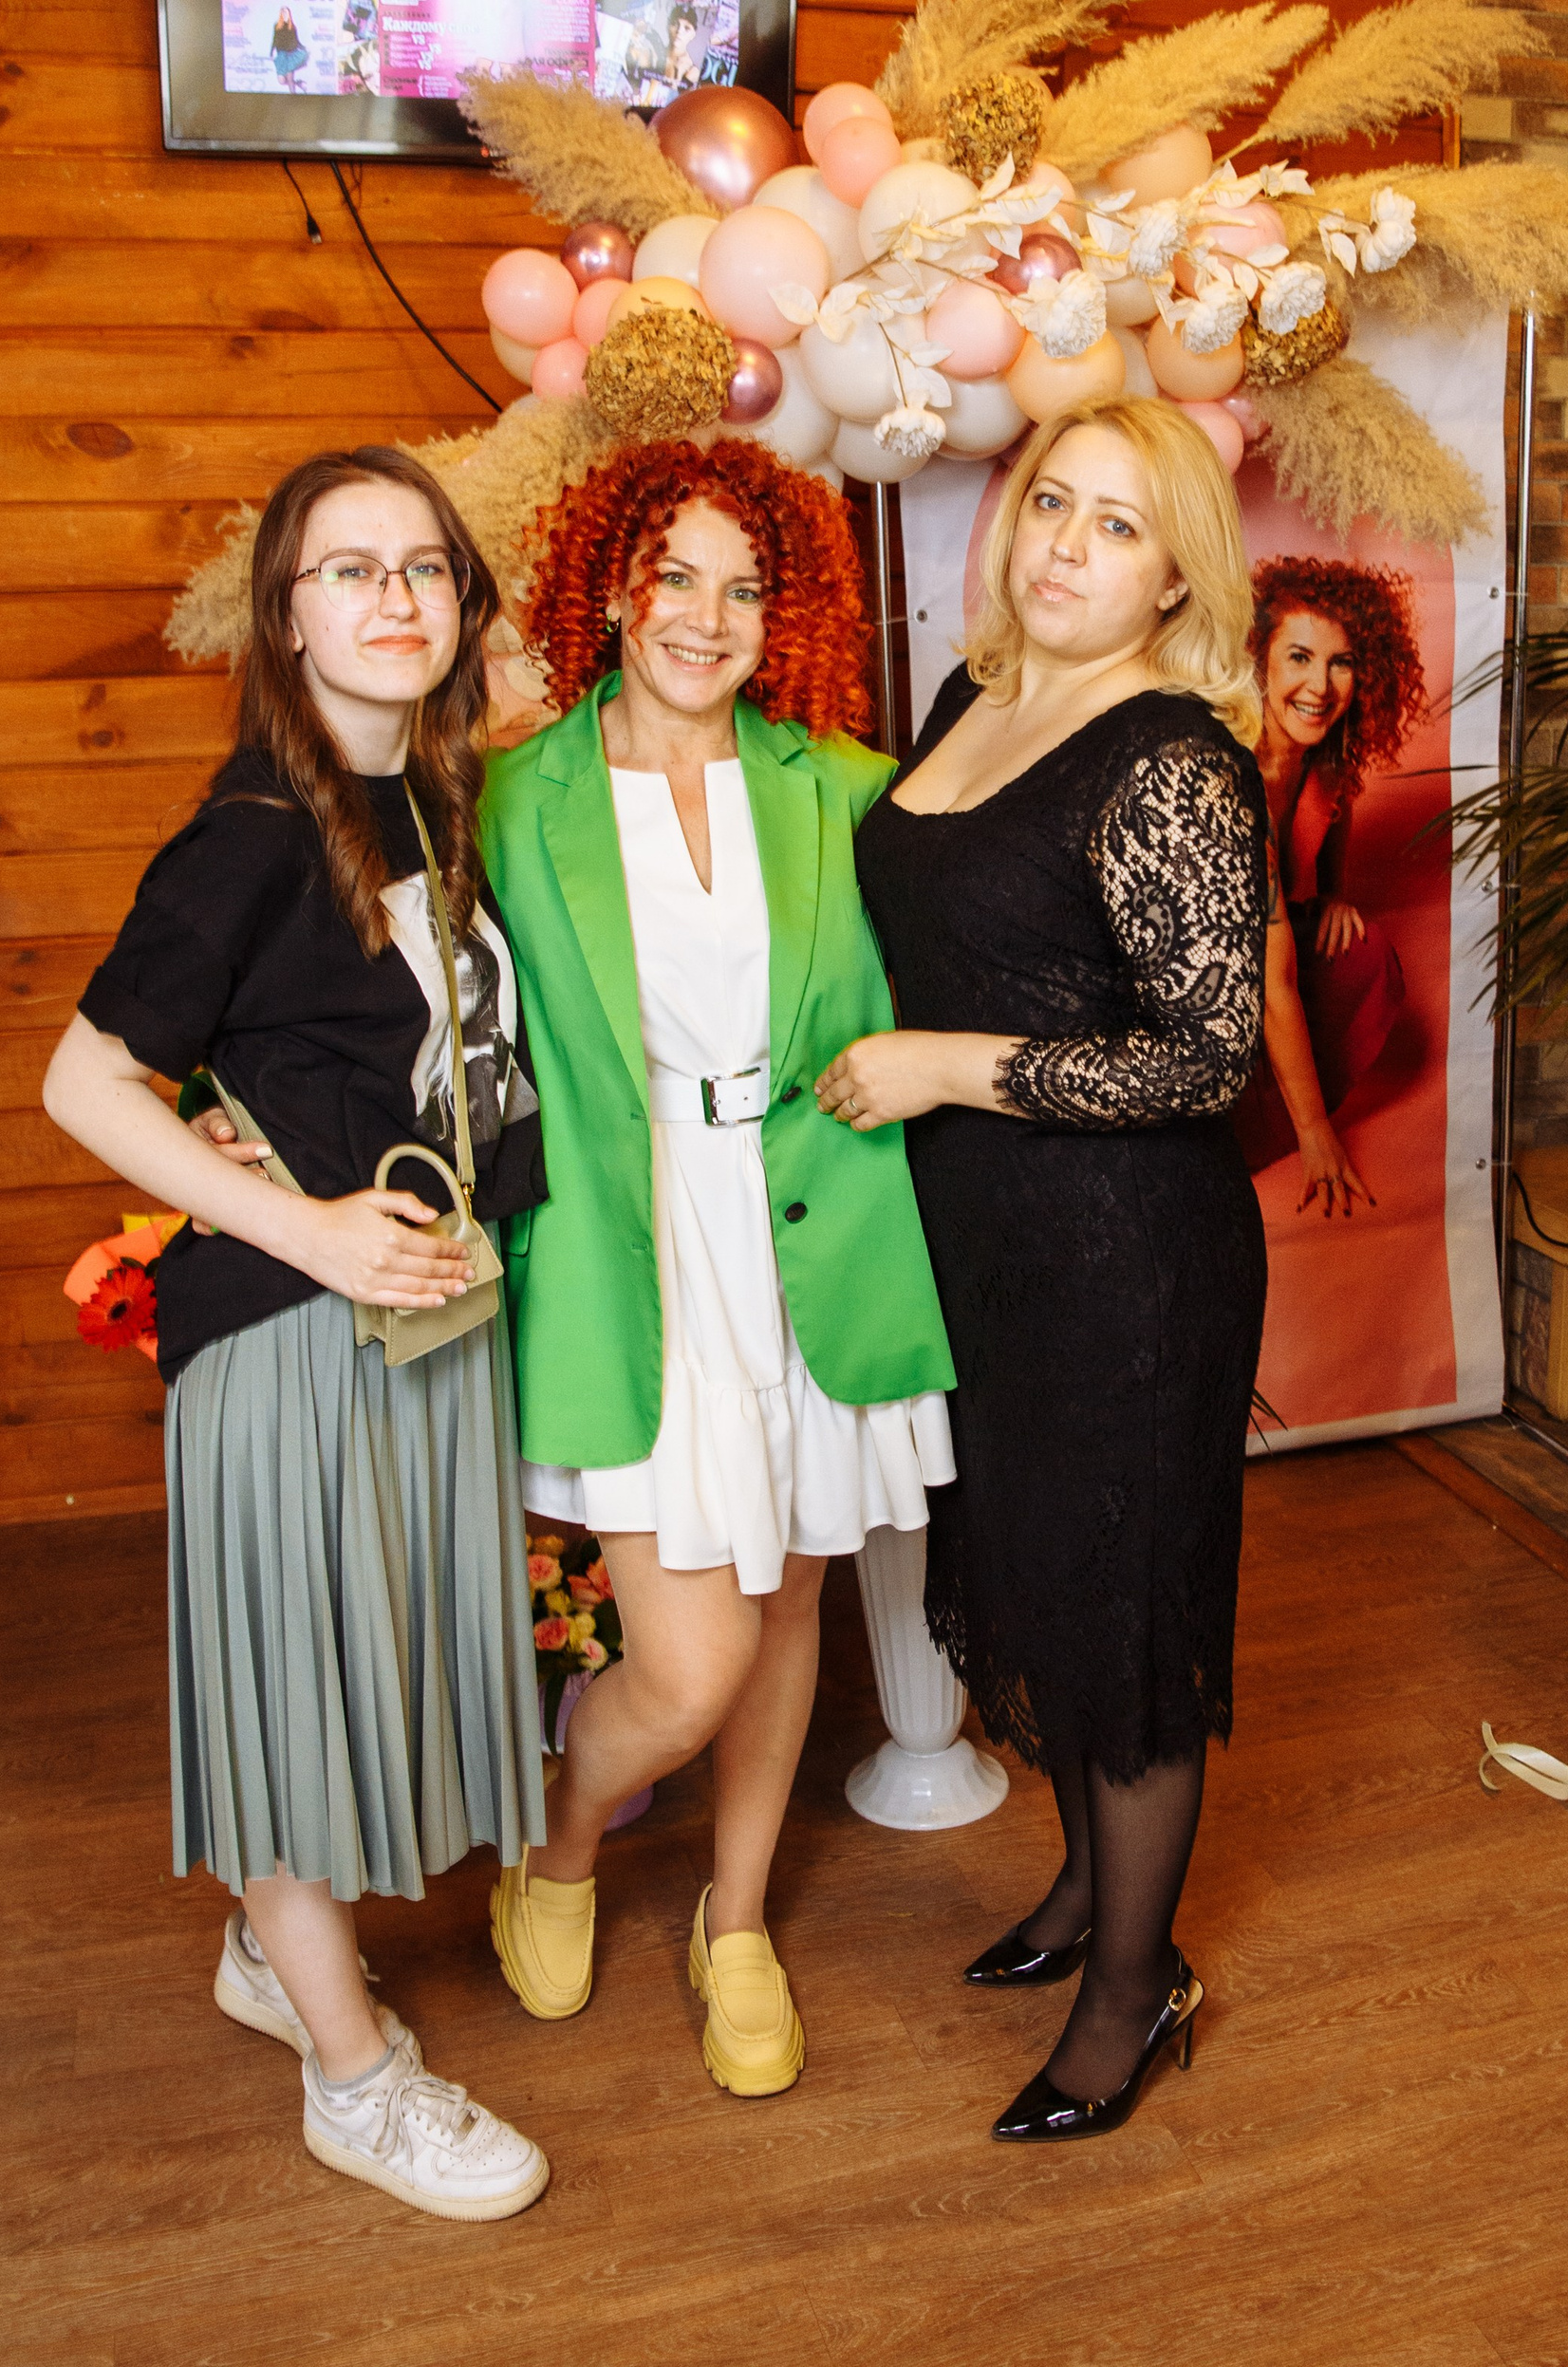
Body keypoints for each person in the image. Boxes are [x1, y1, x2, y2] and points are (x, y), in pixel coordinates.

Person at [41, 449, 551, 2224]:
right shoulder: (257, 826)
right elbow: (84, 1079)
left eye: (424, 566)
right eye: (349, 569)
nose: (394, 597)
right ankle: (355, 2079)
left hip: (416, 1318)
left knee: (356, 1668)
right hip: (288, 1330)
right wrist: (306, 1226)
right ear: (286, 614)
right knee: (290, 1688)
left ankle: (274, 1951)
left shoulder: (422, 791)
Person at [480, 438, 955, 2098]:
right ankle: (560, 1842)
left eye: (745, 586)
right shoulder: (512, 798)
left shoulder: (846, 787)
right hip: (628, 1243)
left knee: (791, 1594)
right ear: (611, 586)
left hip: (816, 1218)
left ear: (787, 610)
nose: (705, 614)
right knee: (689, 1661)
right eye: (671, 573)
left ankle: (735, 1917)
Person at [834, 398, 1268, 2143]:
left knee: (1123, 1613)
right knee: (1034, 1576)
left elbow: (1208, 1055)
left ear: (1177, 577)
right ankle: (1091, 1889)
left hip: (1124, 1261)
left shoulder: (1172, 760)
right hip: (980, 1244)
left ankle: (1132, 1989)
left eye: (1118, 524)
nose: (1067, 546)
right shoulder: (978, 692)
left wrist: (945, 1064)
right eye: (1051, 504)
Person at [1234, 557, 1428, 1211]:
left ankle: (1280, 1102)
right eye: (1299, 657)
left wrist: (1335, 891)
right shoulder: (1233, 778)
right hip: (1200, 984)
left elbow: (1334, 803)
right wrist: (1318, 1134)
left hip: (1266, 954)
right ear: (1259, 660)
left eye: (1341, 662)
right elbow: (1272, 983)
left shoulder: (1323, 746)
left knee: (1364, 955)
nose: (1320, 685)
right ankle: (1269, 1125)